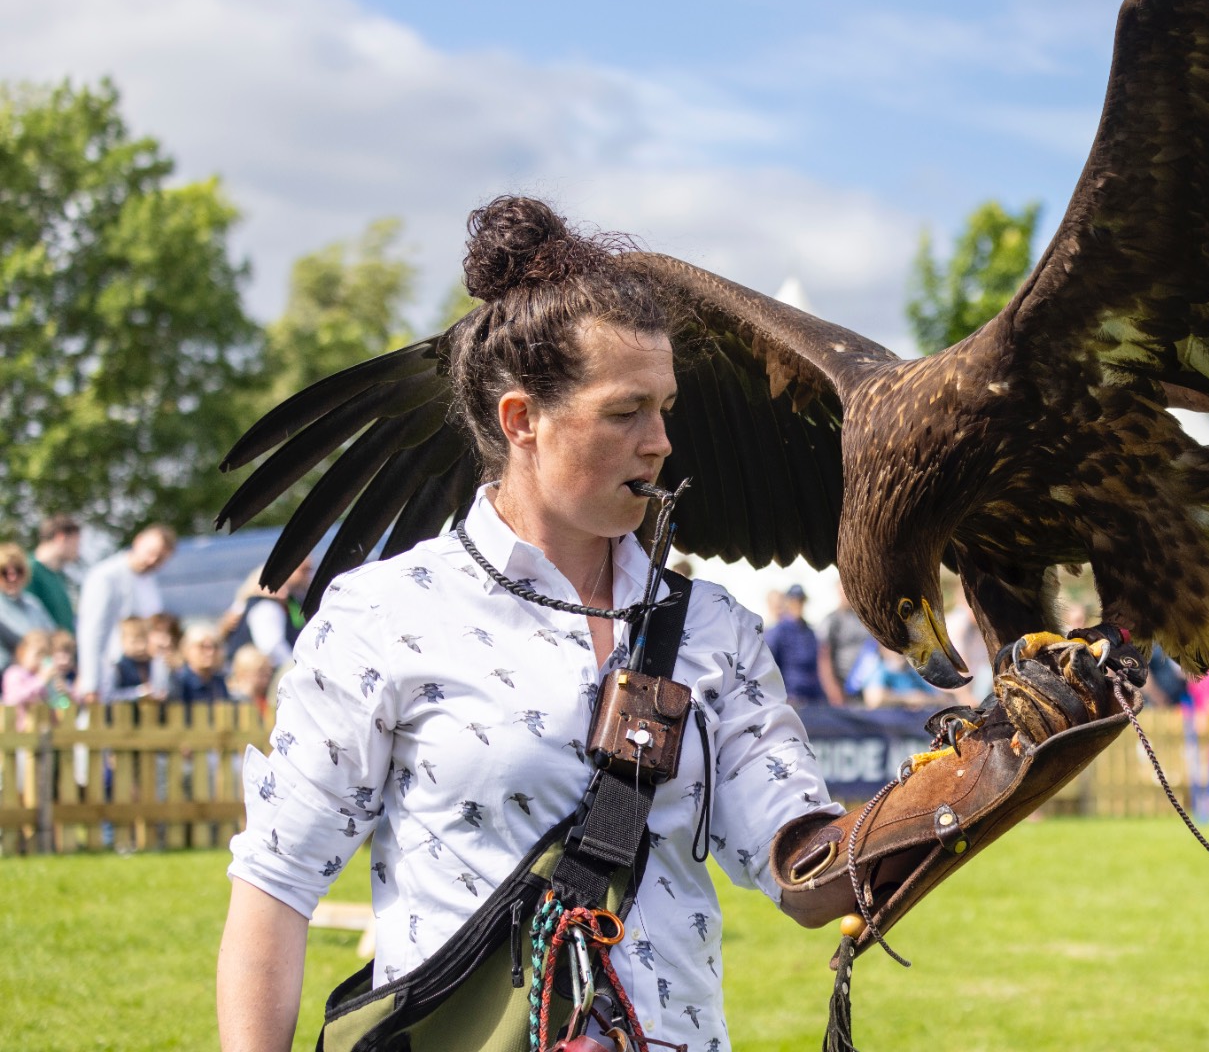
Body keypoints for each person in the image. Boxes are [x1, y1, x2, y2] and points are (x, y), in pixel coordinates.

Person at [217, 197, 845, 1052]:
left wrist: (978, 786)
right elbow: (277, 884)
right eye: (626, 412)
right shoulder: (386, 619)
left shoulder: (713, 631)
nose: (662, 443)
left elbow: (808, 873)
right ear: (522, 421)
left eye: (667, 409)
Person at [74, 524, 175, 702]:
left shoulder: (149, 582)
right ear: (138, 542)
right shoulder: (105, 576)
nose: (152, 561)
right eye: (151, 553)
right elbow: (92, 632)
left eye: (159, 559)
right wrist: (90, 683)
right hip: (110, 675)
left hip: (140, 676)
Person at [222, 559, 311, 671]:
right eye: (277, 584)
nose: (283, 590)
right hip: (255, 673)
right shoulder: (266, 608)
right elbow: (273, 648)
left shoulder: (292, 603)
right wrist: (298, 668)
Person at [765, 583, 827, 705]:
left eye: (801, 601)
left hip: (811, 696)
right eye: (794, 601)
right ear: (788, 603)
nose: (798, 605)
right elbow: (770, 666)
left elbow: (816, 667)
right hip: (790, 695)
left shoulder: (810, 632)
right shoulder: (778, 631)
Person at [0, 543, 56, 667]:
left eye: (18, 571)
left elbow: (53, 636)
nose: (12, 577)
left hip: (40, 674)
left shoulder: (33, 603)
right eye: (5, 572)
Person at [817, 576, 869, 706]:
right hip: (844, 688)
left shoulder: (866, 619)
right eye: (843, 592)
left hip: (868, 687)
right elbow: (824, 658)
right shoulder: (832, 620)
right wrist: (833, 690)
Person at [27, 515, 81, 633]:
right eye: (76, 544)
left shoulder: (59, 575)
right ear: (61, 538)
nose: (78, 550)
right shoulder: (28, 570)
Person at [171, 624, 233, 705]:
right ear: (187, 650)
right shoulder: (179, 682)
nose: (210, 652)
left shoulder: (219, 683)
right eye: (202, 646)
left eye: (215, 646)